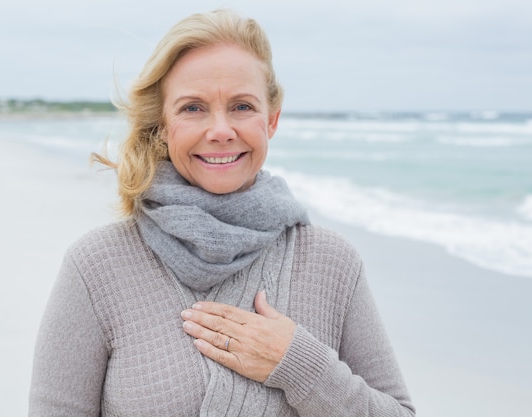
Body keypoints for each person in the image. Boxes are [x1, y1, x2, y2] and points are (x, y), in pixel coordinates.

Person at [28, 9, 415, 417]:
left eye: (242, 107)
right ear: (161, 124)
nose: (220, 130)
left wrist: (302, 367)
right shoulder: (96, 266)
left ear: (272, 120)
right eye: (193, 108)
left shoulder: (333, 263)